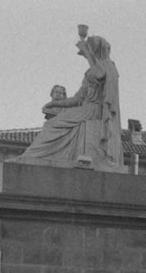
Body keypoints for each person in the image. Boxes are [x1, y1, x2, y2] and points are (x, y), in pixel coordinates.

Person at [14, 33, 125, 173]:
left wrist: (87, 53)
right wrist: (55, 104)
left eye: (91, 49)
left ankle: (34, 155)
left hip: (94, 111)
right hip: (86, 109)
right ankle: (34, 155)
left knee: (53, 124)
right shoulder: (90, 71)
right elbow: (77, 99)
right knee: (52, 123)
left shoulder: (107, 66)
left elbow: (100, 75)